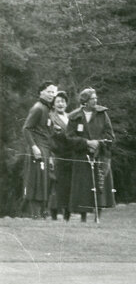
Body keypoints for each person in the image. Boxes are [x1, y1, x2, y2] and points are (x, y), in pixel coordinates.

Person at [63, 88, 116, 221]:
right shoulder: (75, 117)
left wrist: (98, 143)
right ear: (85, 101)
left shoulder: (102, 114)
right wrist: (86, 143)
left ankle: (98, 216)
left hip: (100, 154)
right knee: (83, 187)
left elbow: (110, 134)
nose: (95, 101)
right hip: (81, 156)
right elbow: (69, 137)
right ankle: (83, 217)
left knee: (100, 185)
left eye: (96, 98)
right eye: (93, 98)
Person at [21, 81, 57, 218]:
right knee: (36, 181)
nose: (51, 95)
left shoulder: (48, 109)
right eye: (49, 91)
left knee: (45, 181)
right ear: (41, 92)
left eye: (53, 92)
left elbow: (49, 133)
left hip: (47, 150)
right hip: (38, 150)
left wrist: (52, 154)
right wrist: (34, 147)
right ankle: (35, 214)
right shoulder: (38, 108)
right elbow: (26, 129)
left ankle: (42, 213)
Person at [48, 91, 72, 220]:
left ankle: (67, 216)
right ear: (53, 104)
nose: (61, 104)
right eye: (58, 101)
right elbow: (48, 138)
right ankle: (53, 216)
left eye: (63, 101)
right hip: (57, 155)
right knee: (56, 185)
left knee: (68, 186)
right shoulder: (51, 118)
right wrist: (51, 156)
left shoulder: (70, 117)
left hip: (70, 156)